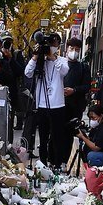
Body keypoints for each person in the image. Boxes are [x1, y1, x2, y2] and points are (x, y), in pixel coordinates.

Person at [25, 34, 71, 167]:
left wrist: (52, 56)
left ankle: (56, 163)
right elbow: (27, 73)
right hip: (42, 104)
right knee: (43, 137)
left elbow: (64, 71)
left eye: (54, 43)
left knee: (57, 137)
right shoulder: (40, 61)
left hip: (57, 104)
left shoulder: (62, 60)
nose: (51, 46)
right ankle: (43, 162)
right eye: (50, 43)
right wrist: (35, 56)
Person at [76, 103, 103, 167]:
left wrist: (82, 137)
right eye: (90, 118)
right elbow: (91, 140)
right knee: (86, 149)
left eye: (94, 118)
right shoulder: (98, 126)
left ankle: (100, 169)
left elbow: (96, 148)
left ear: (101, 116)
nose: (92, 120)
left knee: (91, 156)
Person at [64, 37, 92, 122]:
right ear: (67, 49)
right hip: (59, 104)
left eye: (77, 50)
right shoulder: (60, 64)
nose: (74, 52)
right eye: (72, 49)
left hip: (76, 105)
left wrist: (74, 90)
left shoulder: (84, 67)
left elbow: (87, 86)